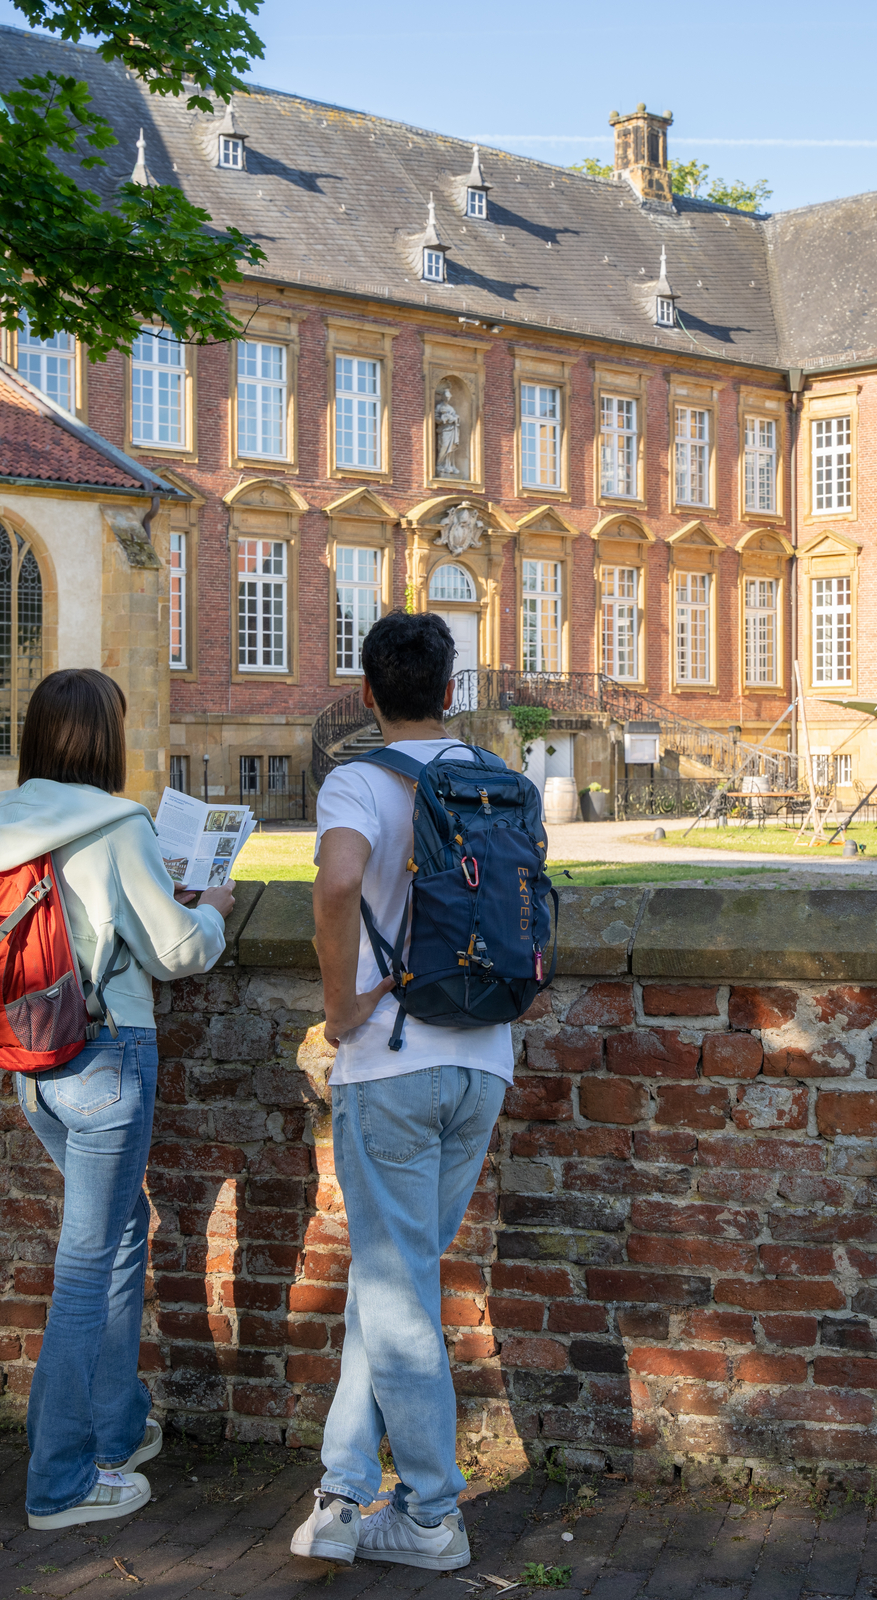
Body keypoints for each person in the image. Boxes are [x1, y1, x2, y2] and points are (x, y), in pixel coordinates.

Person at [0, 668, 234, 1531]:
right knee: (87, 1265)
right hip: (107, 1056)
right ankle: (61, 1481)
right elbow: (173, 951)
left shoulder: (3, 824)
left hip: (35, 1063)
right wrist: (216, 910)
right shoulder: (118, 824)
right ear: (105, 741)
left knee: (121, 1236)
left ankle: (116, 1430)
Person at [289, 612, 509, 1572]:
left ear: (368, 693)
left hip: (393, 1058)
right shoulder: (495, 779)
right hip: (483, 1063)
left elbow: (338, 886)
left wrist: (340, 1009)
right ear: (452, 690)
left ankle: (429, 1516)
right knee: (392, 1283)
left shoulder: (359, 778)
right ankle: (342, 1491)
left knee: (399, 1293)